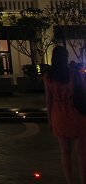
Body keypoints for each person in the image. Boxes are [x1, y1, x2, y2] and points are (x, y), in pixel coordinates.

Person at [45, 46, 86, 184]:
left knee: (65, 152)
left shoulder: (48, 76)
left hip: (58, 115)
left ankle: (70, 181)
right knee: (81, 154)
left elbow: (48, 100)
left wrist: (50, 120)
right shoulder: (74, 73)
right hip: (76, 113)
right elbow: (84, 91)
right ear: (66, 58)